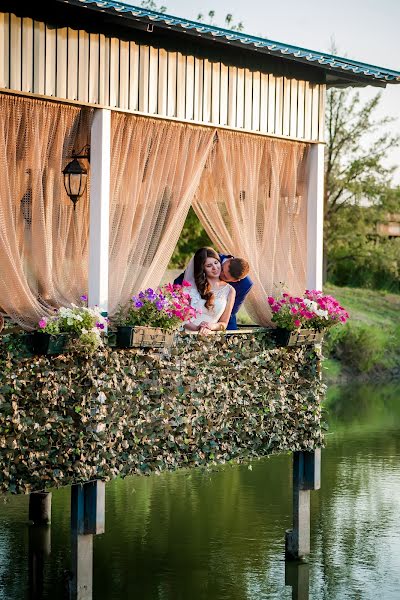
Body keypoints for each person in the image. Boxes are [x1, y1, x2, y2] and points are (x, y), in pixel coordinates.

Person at [175, 253, 252, 330]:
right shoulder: (209, 258)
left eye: (225, 276)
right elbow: (181, 281)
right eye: (221, 269)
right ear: (229, 260)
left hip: (218, 319)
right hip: (189, 316)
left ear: (235, 281)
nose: (218, 273)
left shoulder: (245, 285)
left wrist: (212, 326)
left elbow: (231, 311)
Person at [182, 247, 236, 335]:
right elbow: (181, 318)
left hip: (209, 337)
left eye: (216, 263)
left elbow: (224, 324)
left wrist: (211, 326)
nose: (215, 268)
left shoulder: (230, 290)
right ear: (202, 268)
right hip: (187, 335)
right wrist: (197, 328)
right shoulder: (190, 288)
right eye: (209, 266)